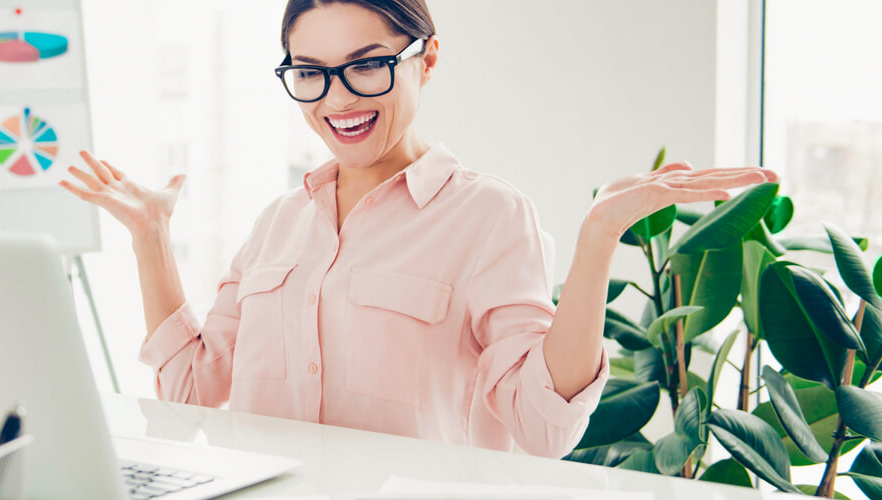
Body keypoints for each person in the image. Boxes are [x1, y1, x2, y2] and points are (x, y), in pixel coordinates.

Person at [60, 0, 778, 459]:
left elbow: (543, 427)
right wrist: (150, 237)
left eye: (368, 65)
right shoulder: (278, 223)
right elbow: (189, 392)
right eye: (310, 72)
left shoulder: (489, 216)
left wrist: (598, 239)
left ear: (427, 60)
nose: (337, 98)